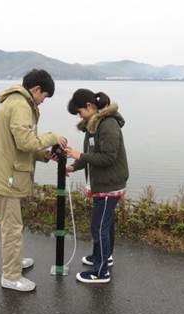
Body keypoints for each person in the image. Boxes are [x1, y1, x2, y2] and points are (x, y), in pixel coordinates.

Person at [0, 69, 67, 292]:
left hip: (5, 173)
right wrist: (52, 137)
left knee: (12, 226)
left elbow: (21, 145)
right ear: (36, 89)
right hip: (4, 177)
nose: (43, 101)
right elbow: (25, 141)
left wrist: (44, 155)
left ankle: (14, 262)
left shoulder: (17, 102)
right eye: (44, 97)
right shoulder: (20, 105)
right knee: (12, 228)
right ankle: (10, 276)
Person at [65, 89, 129, 284]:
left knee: (99, 227)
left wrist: (80, 156)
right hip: (103, 184)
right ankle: (103, 256)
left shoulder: (108, 124)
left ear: (90, 106)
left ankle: (100, 272)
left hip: (110, 184)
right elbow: (90, 155)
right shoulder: (93, 126)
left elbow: (108, 157)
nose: (79, 116)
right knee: (105, 224)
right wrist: (73, 166)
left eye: (79, 112)